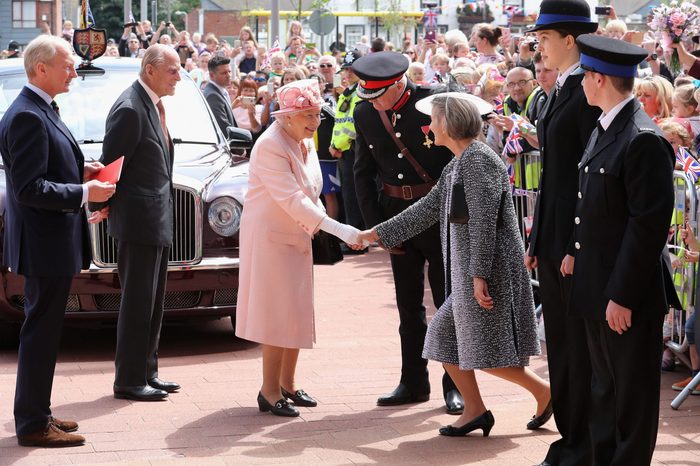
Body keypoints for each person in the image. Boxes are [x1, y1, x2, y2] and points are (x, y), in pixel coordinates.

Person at [358, 92, 551, 437]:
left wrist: (479, 275)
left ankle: (543, 393)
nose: (428, 125)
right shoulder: (460, 162)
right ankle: (478, 409)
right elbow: (428, 209)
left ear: (447, 123)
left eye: (433, 119)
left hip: (488, 271)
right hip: (473, 271)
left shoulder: (477, 161)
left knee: (484, 349)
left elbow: (482, 220)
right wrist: (377, 234)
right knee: (444, 339)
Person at [0, 35, 114, 447]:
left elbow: (46, 167)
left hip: (47, 241)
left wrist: (81, 173)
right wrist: (85, 194)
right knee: (40, 333)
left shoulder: (38, 108)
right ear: (40, 69)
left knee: (45, 331)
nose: (73, 70)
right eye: (66, 64)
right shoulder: (28, 114)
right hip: (43, 243)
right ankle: (31, 424)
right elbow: (30, 188)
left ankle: (38, 412)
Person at [572, 33, 674, 465]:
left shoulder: (641, 137)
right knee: (604, 390)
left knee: (630, 398)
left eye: (584, 76)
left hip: (624, 292)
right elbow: (595, 207)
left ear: (598, 79)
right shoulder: (606, 126)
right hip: (599, 283)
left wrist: (622, 295)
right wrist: (575, 251)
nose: (579, 83)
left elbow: (647, 226)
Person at [235, 79, 364, 417]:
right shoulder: (270, 145)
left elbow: (310, 193)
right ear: (287, 116)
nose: (314, 121)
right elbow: (291, 199)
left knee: (296, 309)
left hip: (297, 235)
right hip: (271, 239)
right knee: (277, 313)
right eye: (307, 114)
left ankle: (288, 383)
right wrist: (340, 230)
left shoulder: (302, 140)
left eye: (317, 115)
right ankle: (269, 389)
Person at [352, 51, 463, 414]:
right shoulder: (365, 112)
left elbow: (459, 159)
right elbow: (363, 171)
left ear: (398, 83)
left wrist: (457, 214)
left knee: (448, 304)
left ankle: (456, 384)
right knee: (408, 306)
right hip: (396, 214)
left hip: (438, 211)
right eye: (368, 96)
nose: (373, 103)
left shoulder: (434, 102)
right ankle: (413, 381)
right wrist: (378, 227)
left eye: (378, 94)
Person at [527, 1, 600, 465]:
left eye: (545, 39)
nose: (539, 48)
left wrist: (575, 245)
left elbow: (590, 177)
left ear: (569, 39)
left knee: (578, 348)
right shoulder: (563, 88)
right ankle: (571, 436)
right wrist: (539, 241)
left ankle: (581, 441)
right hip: (554, 240)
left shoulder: (587, 90)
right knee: (562, 344)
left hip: (575, 245)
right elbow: (554, 174)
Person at [99, 44, 182, 401]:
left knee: (153, 301)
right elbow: (111, 167)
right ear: (150, 69)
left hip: (156, 220)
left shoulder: (150, 104)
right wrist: (104, 204)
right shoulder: (131, 108)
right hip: (138, 222)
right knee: (137, 302)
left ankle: (148, 370)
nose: (179, 76)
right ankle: (129, 380)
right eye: (173, 70)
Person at [329, 49, 365, 235]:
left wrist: (337, 146)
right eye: (346, 69)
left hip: (353, 150)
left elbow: (352, 126)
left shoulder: (361, 92)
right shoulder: (348, 93)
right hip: (345, 150)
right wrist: (334, 144)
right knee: (349, 195)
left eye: (353, 69)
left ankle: (355, 237)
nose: (348, 73)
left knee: (353, 195)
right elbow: (340, 124)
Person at [204, 55, 237, 135]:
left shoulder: (220, 91)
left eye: (229, 72)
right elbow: (224, 129)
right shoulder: (213, 96)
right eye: (224, 73)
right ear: (212, 75)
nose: (228, 75)